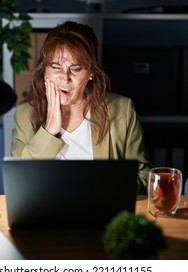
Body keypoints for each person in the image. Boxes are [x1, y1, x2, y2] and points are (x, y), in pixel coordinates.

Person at [11, 21, 151, 194]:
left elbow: (143, 177)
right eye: (56, 67)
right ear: (44, 71)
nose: (65, 77)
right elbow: (20, 182)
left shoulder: (122, 110)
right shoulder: (24, 114)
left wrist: (107, 186)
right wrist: (49, 130)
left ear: (91, 73)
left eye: (75, 69)